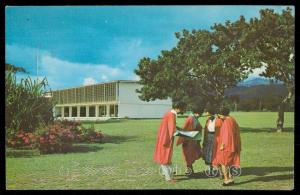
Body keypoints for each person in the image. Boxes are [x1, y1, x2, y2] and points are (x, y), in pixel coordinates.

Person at [154, 101, 187, 183]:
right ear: (179, 108)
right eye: (184, 109)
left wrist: (179, 128)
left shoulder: (168, 113)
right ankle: (168, 178)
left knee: (165, 158)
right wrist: (184, 134)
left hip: (163, 138)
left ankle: (167, 174)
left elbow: (171, 126)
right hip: (166, 140)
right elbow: (172, 130)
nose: (184, 110)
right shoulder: (172, 115)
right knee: (165, 159)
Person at [213, 107, 241, 186]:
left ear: (222, 114)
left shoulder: (226, 122)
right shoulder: (232, 119)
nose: (219, 117)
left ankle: (226, 179)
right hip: (234, 144)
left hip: (227, 145)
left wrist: (222, 145)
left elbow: (227, 135)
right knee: (231, 162)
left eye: (219, 115)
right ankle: (231, 178)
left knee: (223, 162)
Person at [176, 105, 203, 176]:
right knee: (188, 155)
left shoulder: (194, 118)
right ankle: (189, 171)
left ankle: (190, 171)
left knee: (190, 155)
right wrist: (185, 141)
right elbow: (186, 130)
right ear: (197, 113)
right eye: (200, 114)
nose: (201, 115)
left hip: (192, 139)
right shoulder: (191, 119)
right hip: (188, 140)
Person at [202, 105, 223, 176]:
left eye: (208, 114)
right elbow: (205, 131)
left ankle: (221, 172)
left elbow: (221, 131)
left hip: (216, 138)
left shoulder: (218, 120)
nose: (207, 116)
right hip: (208, 138)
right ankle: (210, 171)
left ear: (212, 114)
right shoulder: (208, 120)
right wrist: (204, 141)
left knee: (216, 155)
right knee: (209, 155)